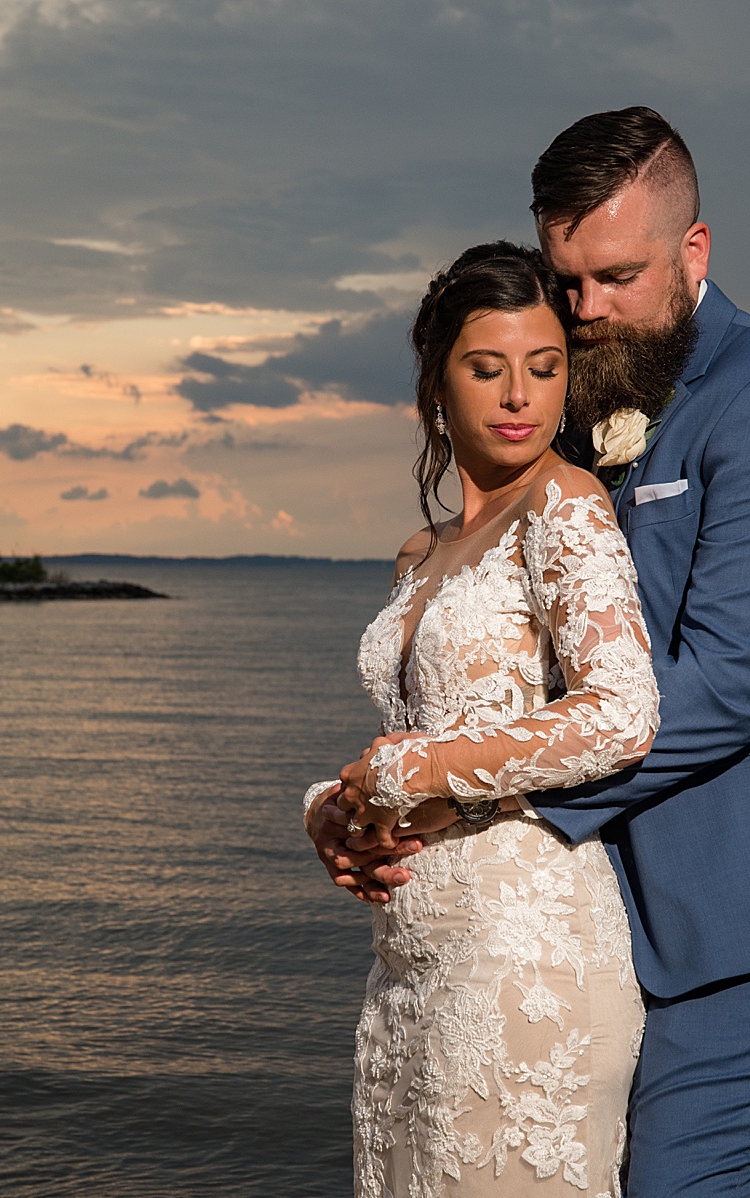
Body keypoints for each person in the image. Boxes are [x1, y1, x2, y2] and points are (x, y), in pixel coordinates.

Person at [311, 108, 750, 1197]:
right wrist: (367, 811)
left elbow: (727, 687)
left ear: (695, 250)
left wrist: (470, 799)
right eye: (569, 278)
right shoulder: (587, 410)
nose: (588, 309)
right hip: (608, 911)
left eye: (617, 276)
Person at [301, 241, 662, 1196]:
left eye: (545, 370)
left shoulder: (567, 504)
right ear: (437, 385)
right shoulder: (422, 551)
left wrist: (416, 772)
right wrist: (335, 816)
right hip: (411, 966)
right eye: (487, 368)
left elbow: (621, 715)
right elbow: (406, 738)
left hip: (523, 955)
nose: (519, 397)